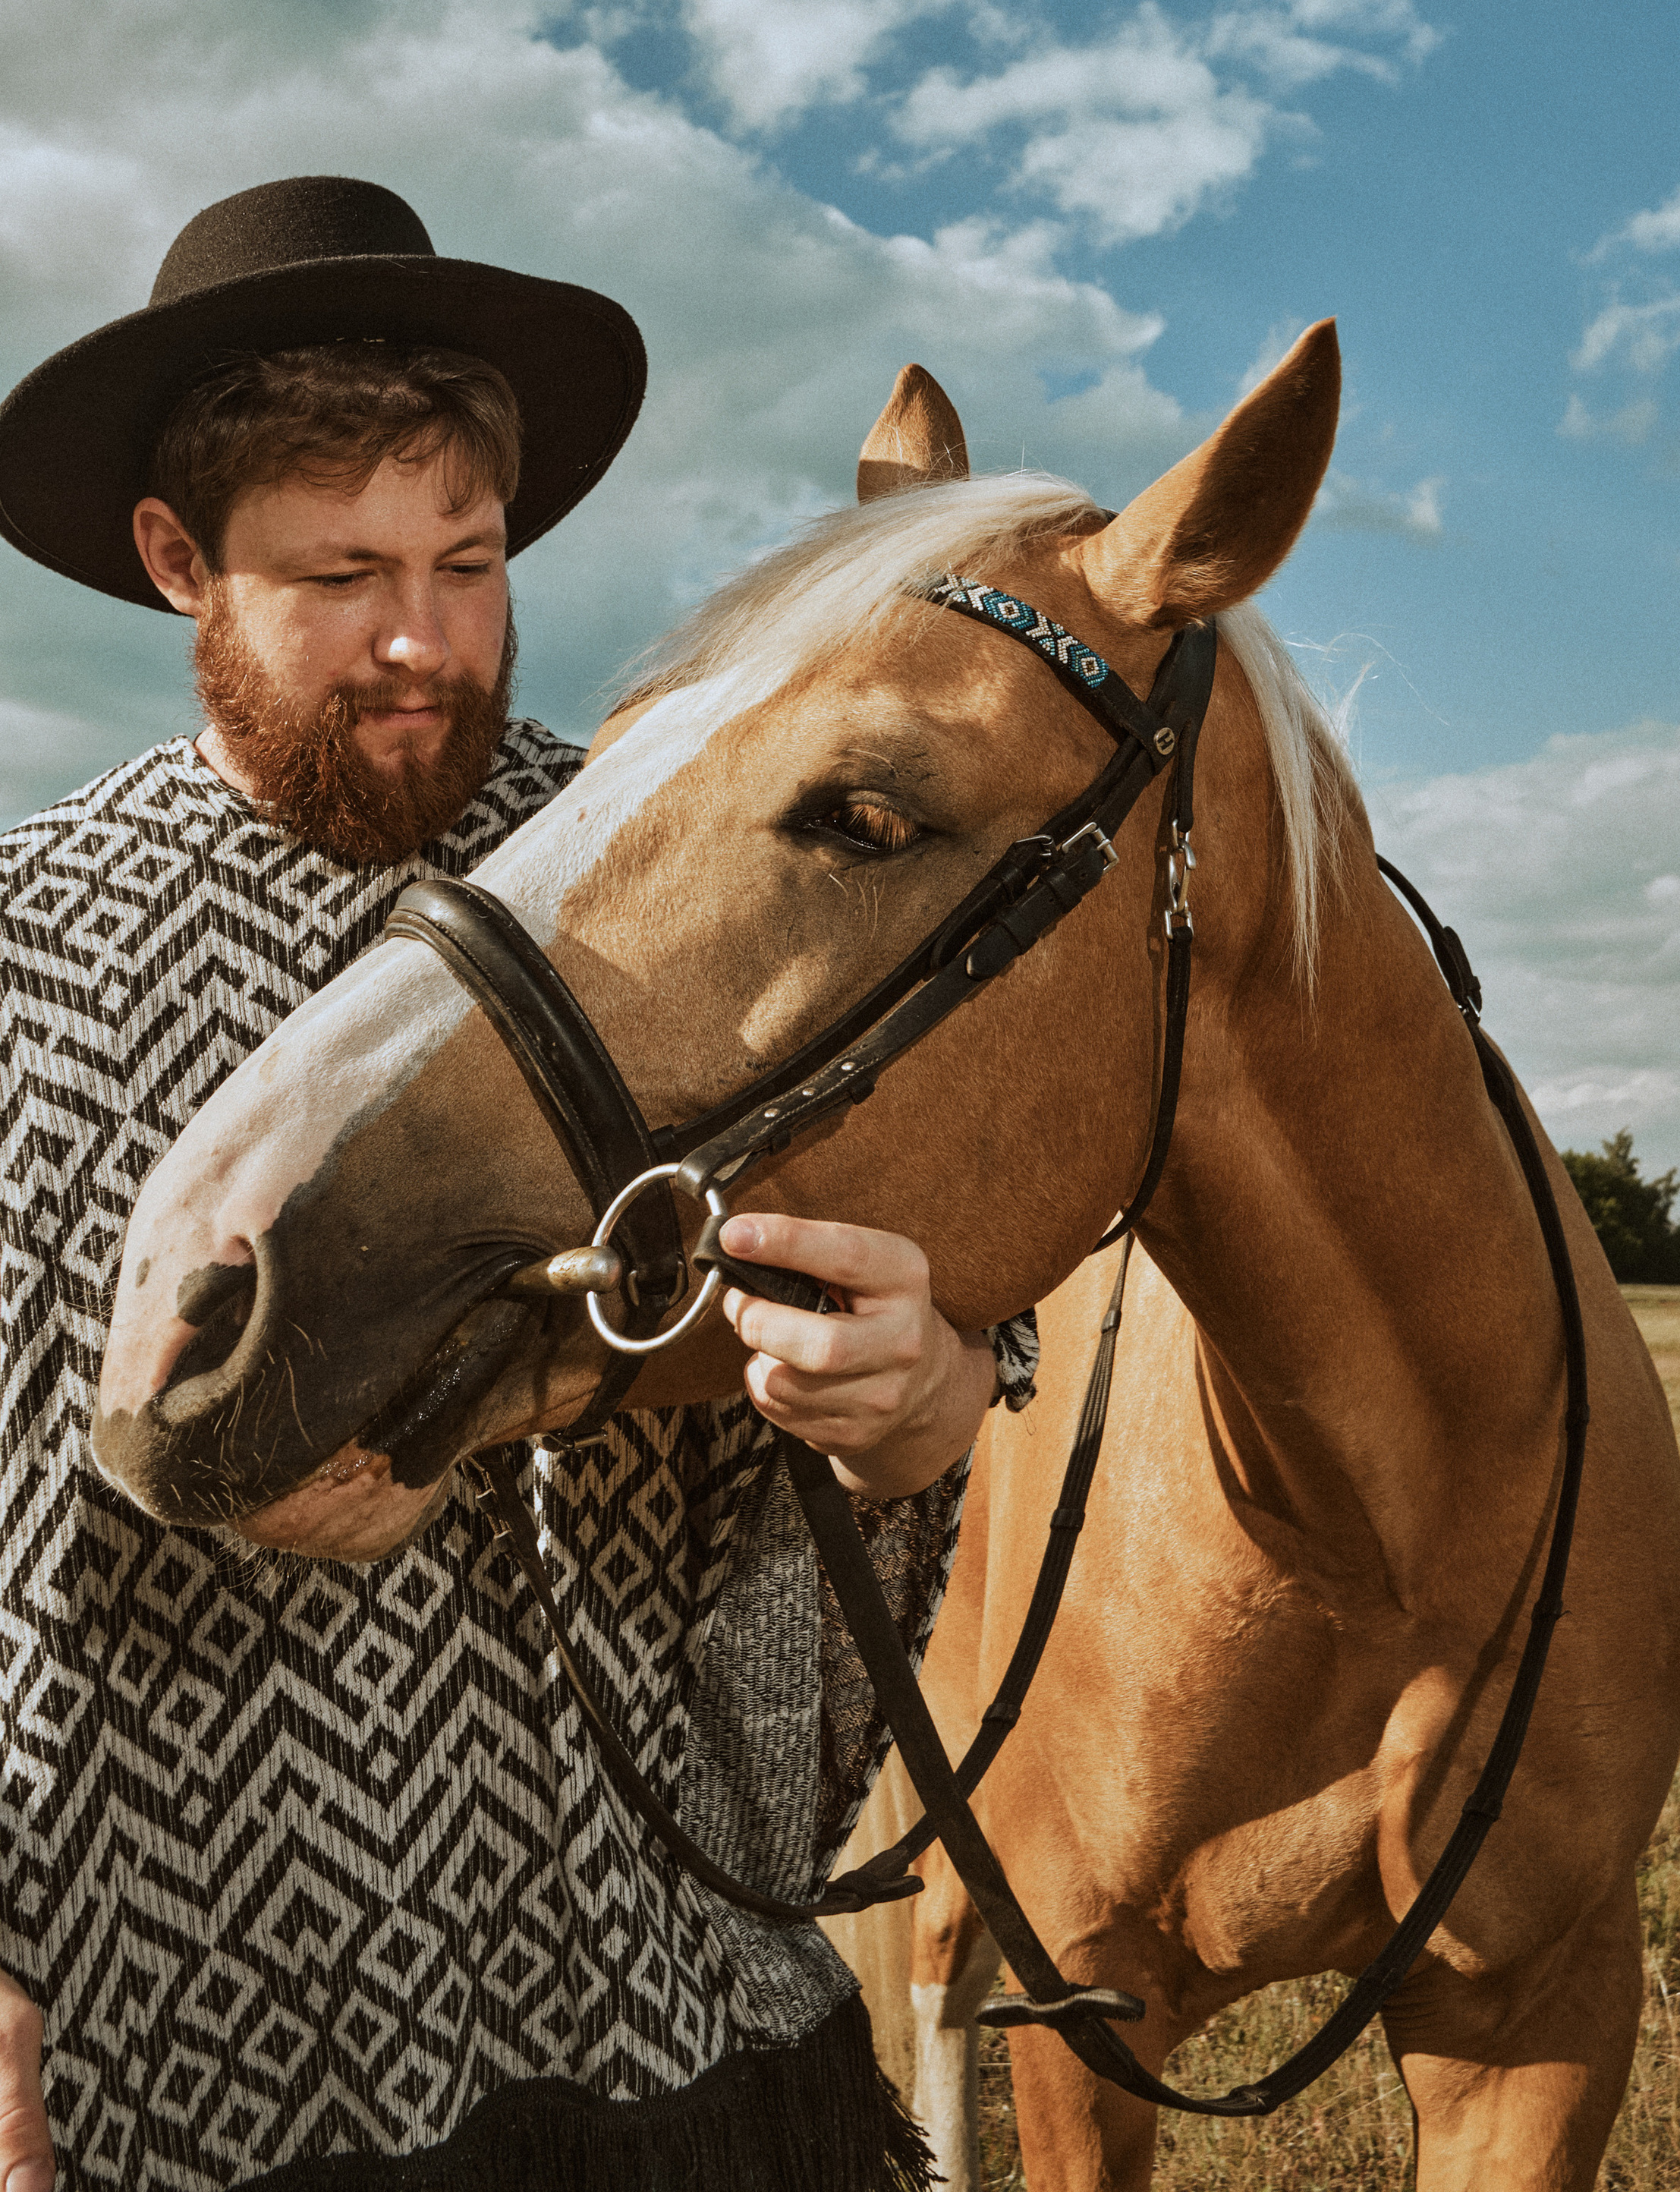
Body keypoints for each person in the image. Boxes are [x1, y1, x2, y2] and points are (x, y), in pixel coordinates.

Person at [0, 177, 1031, 2192]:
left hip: (685, 2030)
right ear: (171, 560)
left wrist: (918, 1405)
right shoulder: (24, 953)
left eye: (468, 564)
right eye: (341, 574)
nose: (420, 642)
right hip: (214, 2065)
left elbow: (830, 1411)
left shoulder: (677, 891)